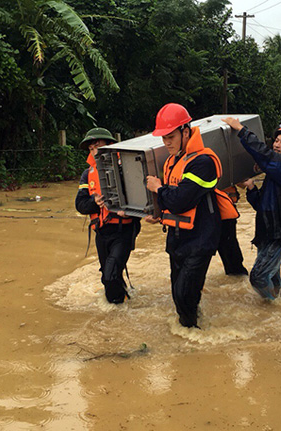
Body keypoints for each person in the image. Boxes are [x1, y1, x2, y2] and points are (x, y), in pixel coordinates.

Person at [145, 103, 224, 328]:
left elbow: (180, 200)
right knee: (179, 294)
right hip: (177, 238)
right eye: (163, 138)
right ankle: (190, 331)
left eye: (170, 136)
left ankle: (194, 339)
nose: (166, 142)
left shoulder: (203, 162)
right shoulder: (171, 162)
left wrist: (158, 189)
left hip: (201, 238)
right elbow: (173, 200)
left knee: (183, 294)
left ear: (186, 132)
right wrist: (159, 216)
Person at [222, 117, 281, 300]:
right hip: (267, 233)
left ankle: (274, 307)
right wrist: (251, 187)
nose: (277, 145)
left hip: (277, 235)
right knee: (273, 278)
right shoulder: (274, 175)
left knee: (258, 278)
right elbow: (260, 205)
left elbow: (264, 154)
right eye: (276, 141)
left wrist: (241, 130)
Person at [75, 127, 141, 304]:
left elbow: (142, 202)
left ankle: (117, 309)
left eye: (97, 146)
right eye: (91, 149)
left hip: (123, 230)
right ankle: (121, 305)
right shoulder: (87, 174)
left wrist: (126, 210)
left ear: (110, 146)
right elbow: (79, 205)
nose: (94, 152)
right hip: (102, 233)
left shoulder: (126, 168)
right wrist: (93, 203)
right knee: (108, 275)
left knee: (109, 276)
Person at [217, 185, 249, 276]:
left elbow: (242, 182)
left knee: (230, 251)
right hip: (220, 214)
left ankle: (238, 277)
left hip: (224, 215)